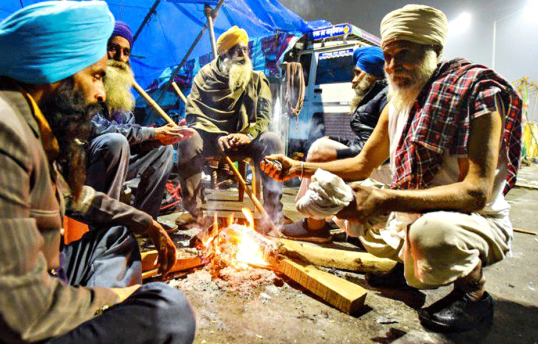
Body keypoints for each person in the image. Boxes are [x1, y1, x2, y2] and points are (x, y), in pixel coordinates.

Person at [0, 0, 195, 343]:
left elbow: (74, 196)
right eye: (96, 76)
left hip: (28, 289)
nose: (101, 93)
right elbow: (23, 313)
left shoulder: (22, 122)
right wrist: (116, 301)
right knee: (169, 310)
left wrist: (145, 221)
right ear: (56, 74)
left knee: (114, 237)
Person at [262, 4, 522, 333]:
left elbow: (476, 192)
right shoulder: (398, 100)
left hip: (474, 219)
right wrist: (296, 167)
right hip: (411, 207)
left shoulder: (477, 95)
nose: (393, 66)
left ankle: (473, 293)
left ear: (435, 50)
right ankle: (401, 265)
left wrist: (385, 200)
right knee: (330, 188)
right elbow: (362, 163)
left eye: (404, 53)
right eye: (388, 56)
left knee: (429, 236)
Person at [176, 26, 284, 230]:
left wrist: (248, 135)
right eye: (237, 50)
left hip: (244, 140)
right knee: (188, 138)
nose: (244, 55)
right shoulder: (204, 77)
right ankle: (192, 212)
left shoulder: (256, 78)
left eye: (246, 50)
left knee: (271, 140)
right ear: (225, 55)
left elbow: (264, 117)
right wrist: (217, 136)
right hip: (211, 138)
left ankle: (273, 214)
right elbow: (193, 114)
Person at [281, 45, 389, 243]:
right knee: (322, 143)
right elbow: (367, 139)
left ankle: (314, 225)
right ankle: (319, 217)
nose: (353, 80)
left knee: (318, 152)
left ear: (374, 75)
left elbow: (373, 150)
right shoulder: (375, 94)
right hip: (374, 158)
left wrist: (312, 159)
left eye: (358, 73)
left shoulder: (386, 97)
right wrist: (333, 141)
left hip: (382, 165)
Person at [86, 21, 192, 222]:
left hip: (117, 160)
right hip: (83, 164)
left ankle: (143, 224)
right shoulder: (85, 83)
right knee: (115, 142)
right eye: (113, 49)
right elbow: (98, 130)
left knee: (164, 150)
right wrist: (153, 133)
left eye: (126, 52)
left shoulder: (122, 98)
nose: (120, 58)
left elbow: (132, 140)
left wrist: (160, 139)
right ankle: (104, 231)